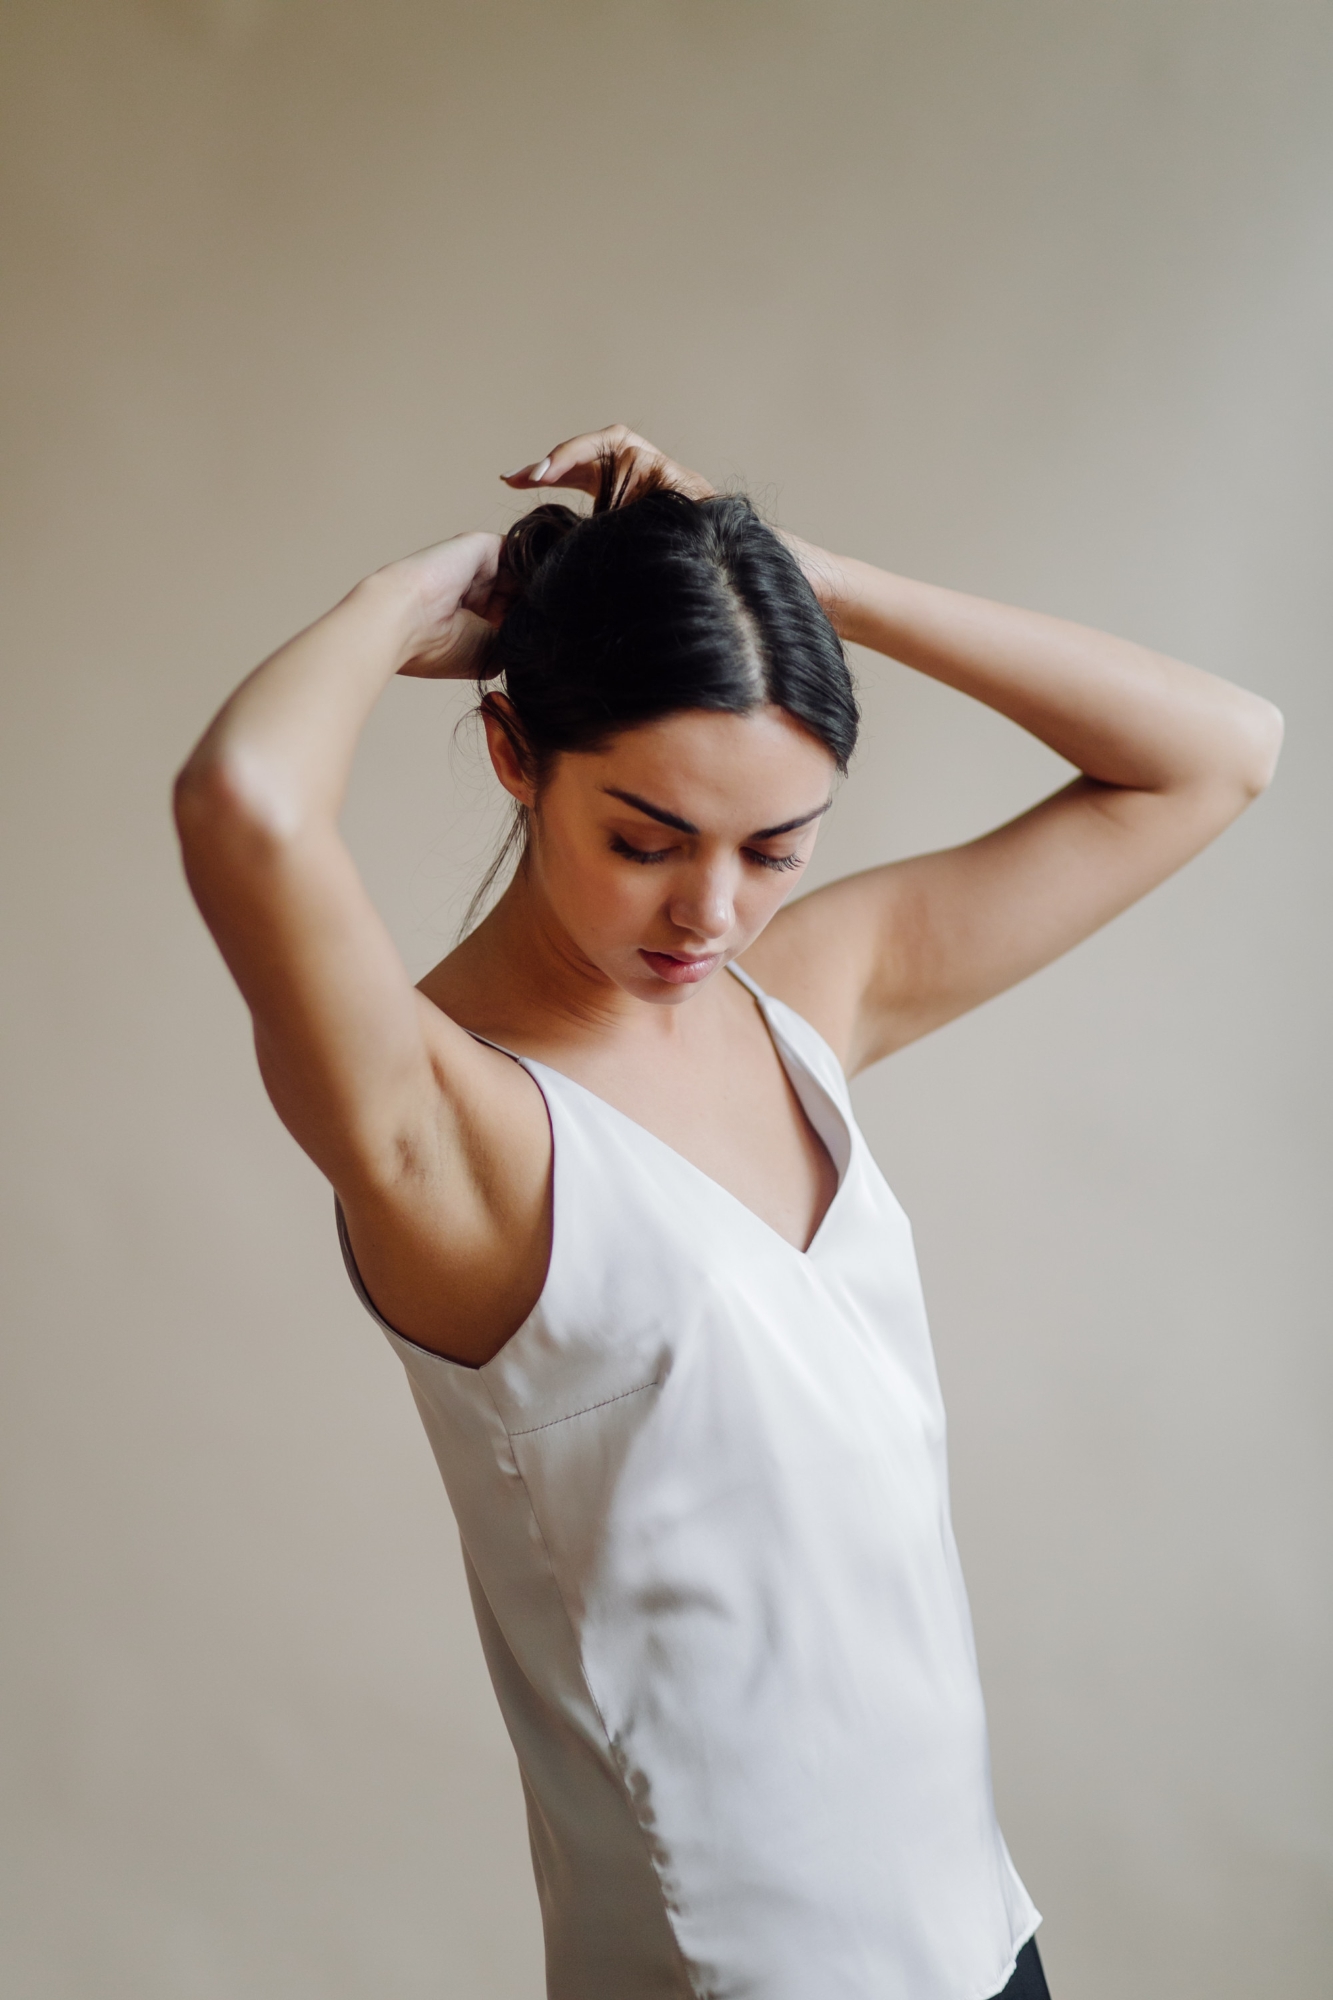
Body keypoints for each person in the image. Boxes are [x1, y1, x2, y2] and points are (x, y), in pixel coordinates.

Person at [174, 424, 1282, 2000]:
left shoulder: (801, 1003)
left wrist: (784, 576)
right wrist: (418, 593)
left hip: (981, 1938)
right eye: (644, 840)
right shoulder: (450, 1134)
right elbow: (243, 802)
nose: (708, 911)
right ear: (512, 753)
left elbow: (1217, 751)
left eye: (774, 849)